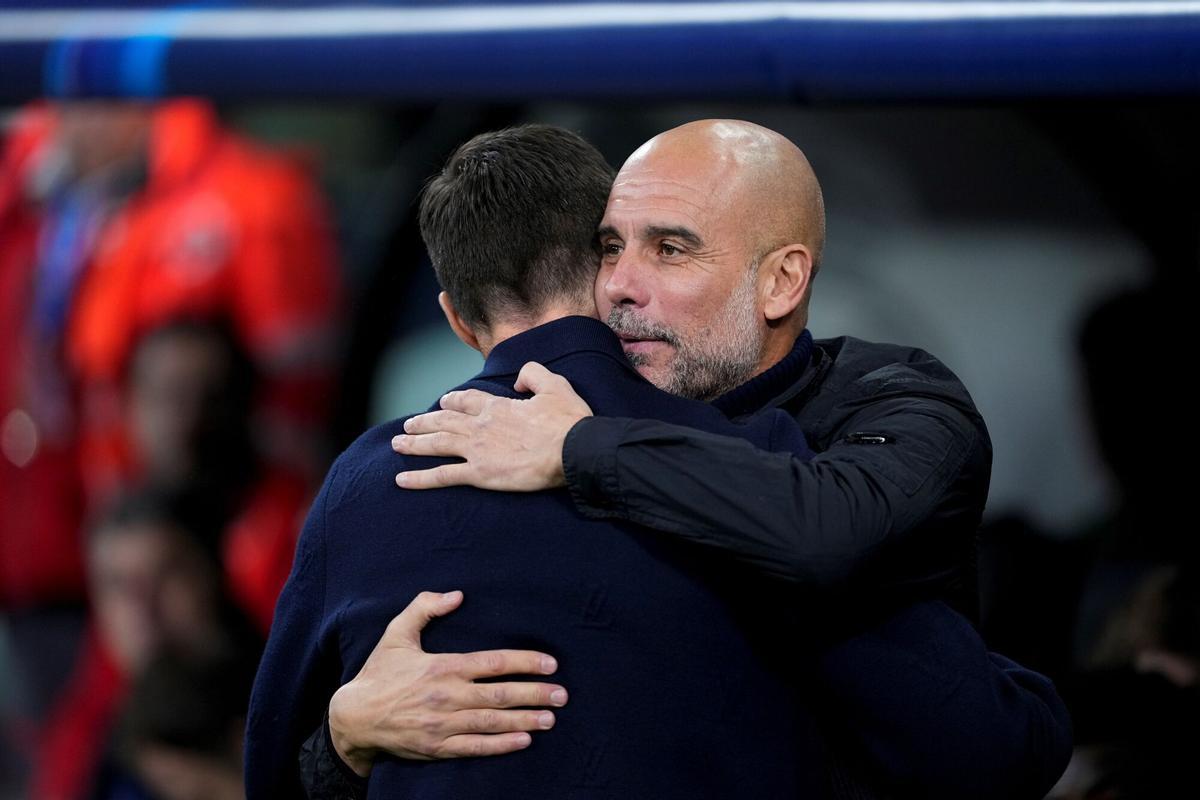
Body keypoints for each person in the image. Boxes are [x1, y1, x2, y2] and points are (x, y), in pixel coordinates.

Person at [250, 124, 1071, 800]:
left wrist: (579, 449)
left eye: (671, 249)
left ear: (782, 281)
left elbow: (825, 535)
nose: (619, 287)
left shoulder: (875, 412)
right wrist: (346, 736)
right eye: (609, 248)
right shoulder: (432, 459)